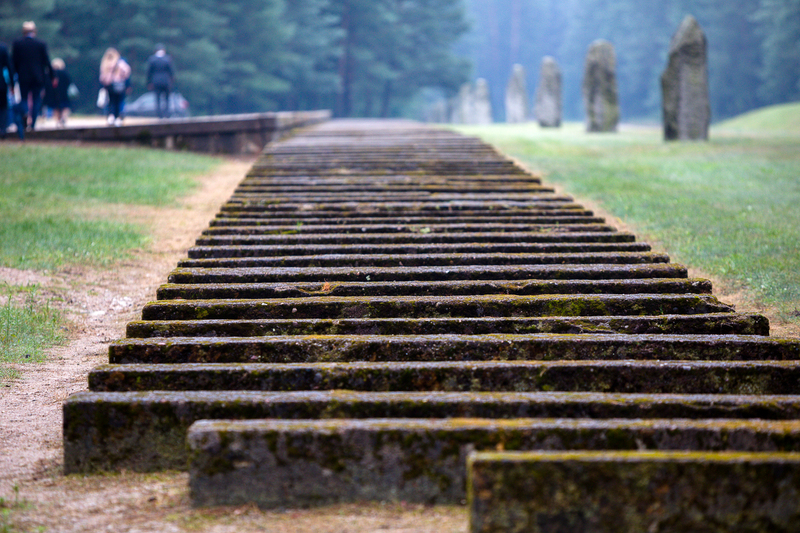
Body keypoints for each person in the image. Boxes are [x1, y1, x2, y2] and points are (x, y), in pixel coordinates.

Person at [12, 21, 51, 130]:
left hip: (23, 76)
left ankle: (24, 112)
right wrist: (52, 76)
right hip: (37, 77)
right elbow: (46, 61)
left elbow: (14, 62)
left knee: (23, 98)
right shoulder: (40, 43)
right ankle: (33, 124)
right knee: (36, 100)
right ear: (34, 31)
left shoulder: (18, 44)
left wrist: (12, 77)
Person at [99, 47, 131, 126]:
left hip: (109, 85)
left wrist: (105, 82)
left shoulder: (105, 63)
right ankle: (119, 117)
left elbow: (102, 77)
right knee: (119, 101)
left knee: (111, 102)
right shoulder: (120, 62)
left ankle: (111, 116)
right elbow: (127, 71)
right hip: (120, 85)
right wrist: (123, 79)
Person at [146, 44, 174, 118]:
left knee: (157, 99)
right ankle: (167, 114)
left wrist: (149, 82)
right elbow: (171, 71)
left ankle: (159, 115)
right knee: (167, 99)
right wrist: (171, 81)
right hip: (166, 81)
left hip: (156, 81)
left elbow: (149, 72)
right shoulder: (167, 58)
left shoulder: (152, 59)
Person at [45, 58, 73, 127]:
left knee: (55, 108)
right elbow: (69, 82)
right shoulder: (64, 73)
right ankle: (63, 118)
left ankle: (58, 120)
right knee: (65, 107)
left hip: (53, 94)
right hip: (64, 94)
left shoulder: (49, 74)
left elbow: (46, 84)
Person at [0, 40, 13, 139]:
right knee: (3, 107)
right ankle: (2, 129)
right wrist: (12, 84)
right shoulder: (2, 48)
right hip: (1, 83)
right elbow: (9, 66)